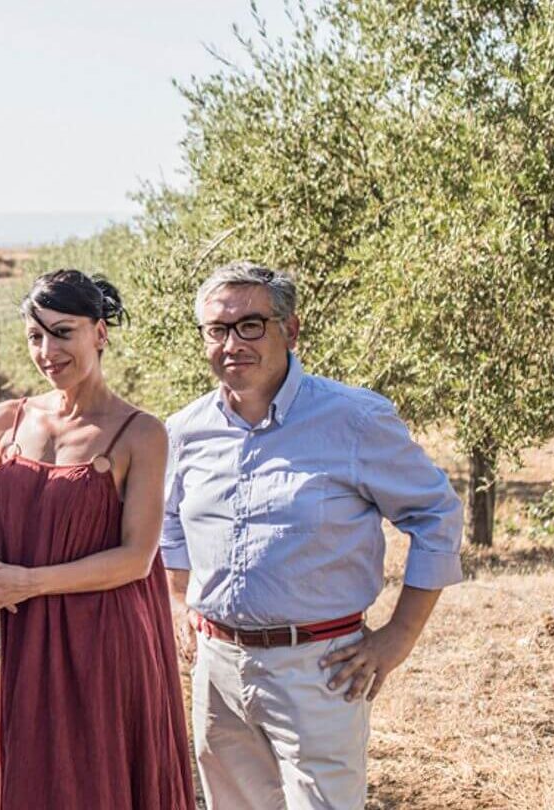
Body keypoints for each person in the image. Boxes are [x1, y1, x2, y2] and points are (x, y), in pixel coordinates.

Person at [161, 260, 464, 810]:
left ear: (290, 330)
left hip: (321, 667)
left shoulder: (355, 420)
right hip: (217, 671)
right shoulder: (184, 431)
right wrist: (179, 598)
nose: (232, 343)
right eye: (217, 329)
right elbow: (170, 521)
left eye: (250, 325)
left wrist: (398, 637)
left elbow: (437, 516)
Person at [0, 270, 196, 809]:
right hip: (29, 643)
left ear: (100, 333)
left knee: (101, 782)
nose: (47, 351)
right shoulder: (3, 423)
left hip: (108, 643)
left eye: (63, 333)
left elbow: (137, 558)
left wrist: (26, 582)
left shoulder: (141, 432)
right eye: (35, 337)